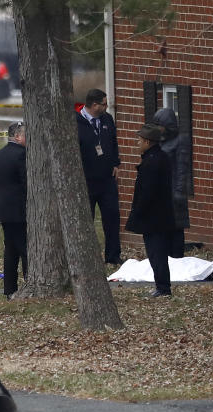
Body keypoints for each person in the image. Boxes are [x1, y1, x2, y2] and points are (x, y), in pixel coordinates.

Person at [124, 124, 174, 298]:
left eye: (139, 140)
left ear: (147, 141)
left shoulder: (152, 163)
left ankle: (163, 287)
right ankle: (161, 286)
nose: (138, 143)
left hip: (154, 217)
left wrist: (137, 211)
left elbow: (147, 192)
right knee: (156, 252)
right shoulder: (160, 158)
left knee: (156, 253)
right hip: (160, 215)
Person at [77, 89, 122, 265]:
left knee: (112, 217)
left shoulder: (107, 119)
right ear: (94, 105)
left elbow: (113, 142)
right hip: (86, 180)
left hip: (107, 179)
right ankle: (86, 257)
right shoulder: (76, 121)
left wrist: (116, 164)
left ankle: (113, 255)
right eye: (104, 104)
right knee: (86, 219)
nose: (106, 107)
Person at [0, 121, 27, 298]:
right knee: (26, 249)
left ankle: (9, 289)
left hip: (4, 210)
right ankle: (29, 282)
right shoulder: (22, 155)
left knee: (11, 250)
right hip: (20, 211)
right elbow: (26, 183)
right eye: (27, 135)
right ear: (17, 136)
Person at [152, 108, 192, 258]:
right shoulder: (160, 142)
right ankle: (165, 256)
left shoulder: (180, 141)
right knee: (163, 227)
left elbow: (182, 168)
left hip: (174, 190)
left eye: (159, 125)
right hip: (162, 191)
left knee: (176, 227)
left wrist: (179, 191)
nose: (157, 128)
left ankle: (176, 257)